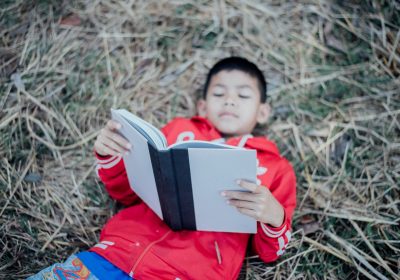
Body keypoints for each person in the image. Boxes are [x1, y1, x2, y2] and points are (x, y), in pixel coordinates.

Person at [28, 57, 296, 280]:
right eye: (218, 93)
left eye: (243, 95)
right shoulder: (178, 131)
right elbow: (127, 192)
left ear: (262, 112)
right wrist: (111, 153)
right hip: (113, 256)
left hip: (190, 273)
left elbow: (269, 252)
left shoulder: (275, 167)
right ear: (202, 106)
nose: (229, 100)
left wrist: (273, 215)